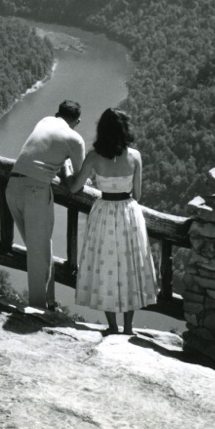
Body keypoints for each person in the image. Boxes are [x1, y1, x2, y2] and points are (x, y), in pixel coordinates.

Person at [68, 107, 158, 335]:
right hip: (129, 214)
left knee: (103, 266)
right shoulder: (135, 156)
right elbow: (137, 195)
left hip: (104, 214)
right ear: (124, 130)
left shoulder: (94, 157)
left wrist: (64, 171)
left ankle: (112, 326)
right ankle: (128, 328)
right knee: (130, 267)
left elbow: (75, 187)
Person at [6, 100, 86, 310]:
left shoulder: (45, 120)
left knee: (39, 249)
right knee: (38, 254)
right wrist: (66, 166)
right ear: (77, 121)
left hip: (12, 186)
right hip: (35, 191)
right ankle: (37, 310)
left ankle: (49, 303)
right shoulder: (74, 139)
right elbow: (78, 182)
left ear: (57, 113)